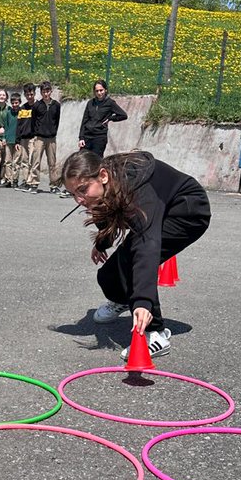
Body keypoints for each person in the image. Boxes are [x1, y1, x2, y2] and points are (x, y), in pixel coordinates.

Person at [62, 149, 211, 361]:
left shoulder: (137, 190)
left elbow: (146, 246)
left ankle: (156, 334)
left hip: (188, 212)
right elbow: (108, 209)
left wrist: (142, 301)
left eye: (82, 190)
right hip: (163, 209)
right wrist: (103, 243)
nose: (79, 200)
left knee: (134, 259)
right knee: (107, 276)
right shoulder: (107, 184)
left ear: (103, 175)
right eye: (73, 194)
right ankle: (123, 299)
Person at [78, 80, 127, 156]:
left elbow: (123, 115)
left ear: (105, 90)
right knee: (82, 159)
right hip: (87, 136)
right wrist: (81, 137)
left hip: (99, 137)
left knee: (96, 161)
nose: (99, 93)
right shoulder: (90, 103)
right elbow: (84, 120)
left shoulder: (110, 103)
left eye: (101, 90)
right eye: (97, 91)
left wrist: (110, 118)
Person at [31, 80, 61, 194]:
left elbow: (57, 120)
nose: (46, 94)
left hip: (51, 138)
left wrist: (53, 131)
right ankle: (34, 183)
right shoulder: (37, 105)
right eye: (44, 91)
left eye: (48, 91)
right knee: (36, 161)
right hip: (39, 137)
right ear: (41, 92)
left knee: (52, 162)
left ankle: (54, 185)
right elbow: (33, 121)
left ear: (51, 91)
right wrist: (36, 133)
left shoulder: (56, 105)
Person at [15, 82, 37, 189]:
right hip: (23, 138)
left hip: (33, 137)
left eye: (31, 94)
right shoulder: (22, 108)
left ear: (34, 94)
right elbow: (19, 125)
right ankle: (25, 181)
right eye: (27, 94)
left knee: (32, 161)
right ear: (24, 95)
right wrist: (17, 140)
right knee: (24, 161)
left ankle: (31, 181)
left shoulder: (37, 106)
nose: (29, 96)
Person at [1, 92, 21, 188]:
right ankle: (8, 179)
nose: (14, 105)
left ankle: (15, 180)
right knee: (7, 161)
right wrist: (4, 138)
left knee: (16, 162)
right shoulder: (8, 113)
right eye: (13, 103)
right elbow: (6, 126)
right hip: (9, 139)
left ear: (19, 102)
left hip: (18, 141)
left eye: (16, 103)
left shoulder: (22, 112)